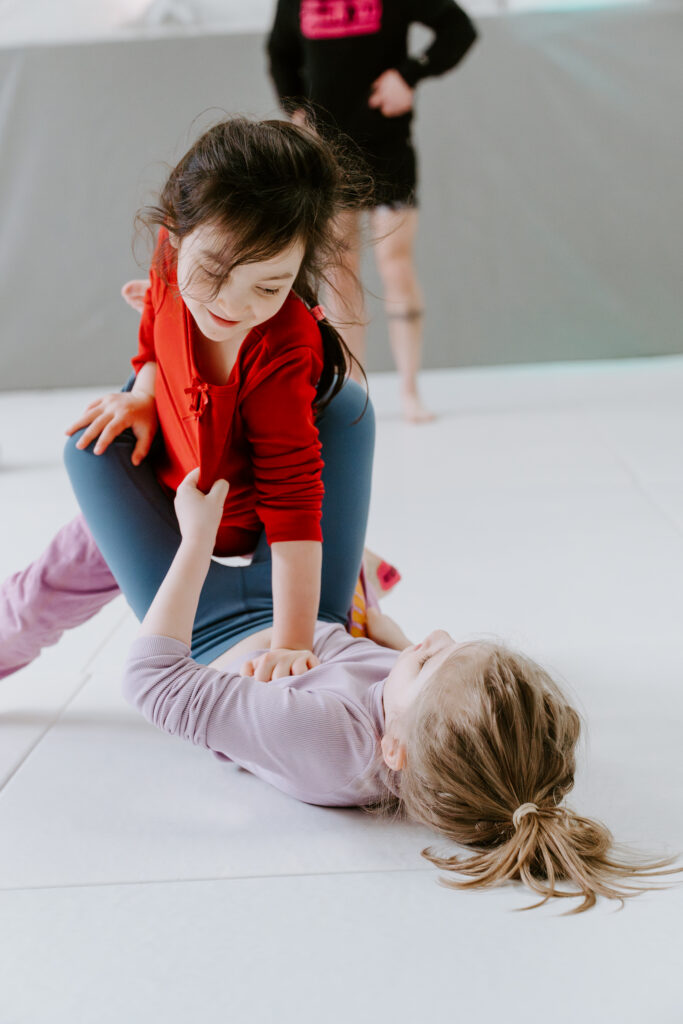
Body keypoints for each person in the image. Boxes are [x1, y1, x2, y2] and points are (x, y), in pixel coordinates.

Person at [60, 379, 677, 914]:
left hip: (210, 624)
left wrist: (196, 540)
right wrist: (397, 648)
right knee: (344, 406)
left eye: (431, 658)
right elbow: (413, 696)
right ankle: (356, 570)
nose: (435, 637)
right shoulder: (421, 735)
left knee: (93, 450)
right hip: (313, 614)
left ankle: (162, 368)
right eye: (449, 645)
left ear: (392, 748)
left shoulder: (324, 736)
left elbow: (152, 682)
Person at [0, 116, 374, 682]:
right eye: (215, 271)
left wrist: (293, 644)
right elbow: (153, 328)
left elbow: (294, 501)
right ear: (174, 234)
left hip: (250, 517)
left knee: (315, 625)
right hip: (165, 485)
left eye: (269, 287)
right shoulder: (169, 256)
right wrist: (145, 392)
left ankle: (362, 588)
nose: (232, 304)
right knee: (42, 593)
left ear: (299, 270)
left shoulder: (282, 348)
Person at [265, 0, 478, 423]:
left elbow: (458, 28)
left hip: (387, 147)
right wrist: (294, 110)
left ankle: (409, 389)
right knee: (338, 271)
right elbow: (279, 53)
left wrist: (409, 75)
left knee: (395, 263)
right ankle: (351, 393)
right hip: (328, 153)